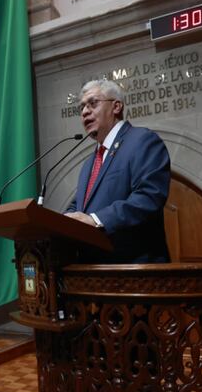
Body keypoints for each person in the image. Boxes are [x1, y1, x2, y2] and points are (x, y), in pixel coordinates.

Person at [64, 79, 171, 263]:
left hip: (135, 272)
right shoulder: (90, 163)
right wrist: (63, 221)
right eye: (81, 107)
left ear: (116, 107)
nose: (84, 112)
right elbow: (79, 205)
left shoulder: (142, 141)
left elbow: (148, 197)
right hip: (92, 273)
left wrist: (96, 220)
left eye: (93, 103)